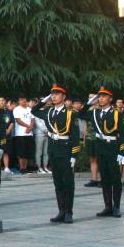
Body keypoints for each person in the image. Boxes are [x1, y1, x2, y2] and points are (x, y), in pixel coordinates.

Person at [31, 85, 81, 224]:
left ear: (63, 97)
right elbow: (34, 110)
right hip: (53, 151)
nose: (54, 96)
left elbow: (75, 137)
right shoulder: (48, 111)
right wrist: (45, 100)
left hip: (65, 151)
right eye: (52, 94)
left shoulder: (71, 114)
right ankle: (61, 211)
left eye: (57, 94)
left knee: (68, 183)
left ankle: (69, 212)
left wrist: (74, 156)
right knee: (58, 183)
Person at [86, 87, 124, 217]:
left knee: (115, 179)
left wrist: (121, 152)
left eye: (104, 96)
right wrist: (91, 101)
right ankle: (108, 206)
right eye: (100, 96)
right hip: (101, 147)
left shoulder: (117, 113)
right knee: (105, 179)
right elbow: (80, 113)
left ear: (110, 99)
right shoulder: (95, 113)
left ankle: (117, 207)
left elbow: (123, 135)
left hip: (113, 147)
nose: (101, 98)